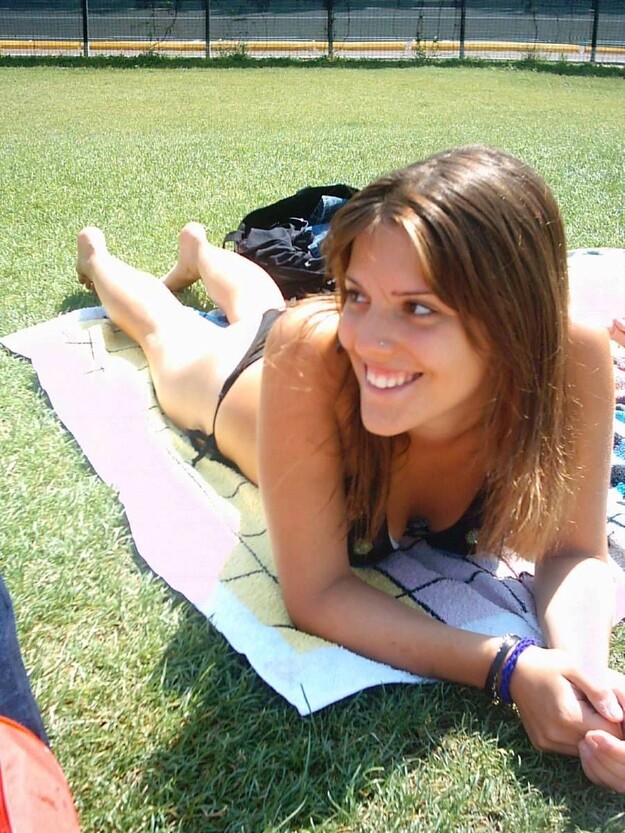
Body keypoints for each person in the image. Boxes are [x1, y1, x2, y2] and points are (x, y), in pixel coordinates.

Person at [75, 146, 625, 792]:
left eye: (417, 308)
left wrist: (587, 683)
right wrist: (507, 666)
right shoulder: (319, 353)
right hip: (244, 387)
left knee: (258, 305)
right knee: (164, 333)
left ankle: (199, 251)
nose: (367, 338)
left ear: (514, 318)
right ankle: (98, 258)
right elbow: (317, 594)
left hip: (306, 359)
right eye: (356, 294)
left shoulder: (570, 355)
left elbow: (573, 550)